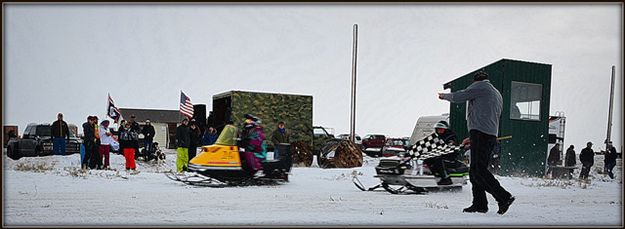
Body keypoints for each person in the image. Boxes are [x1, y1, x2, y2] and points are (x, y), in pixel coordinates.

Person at [438, 70, 515, 215]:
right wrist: (473, 136)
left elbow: (460, 95)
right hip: (488, 134)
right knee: (475, 172)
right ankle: (480, 204)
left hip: (481, 133)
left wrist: (445, 96)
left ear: (477, 81)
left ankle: (503, 197)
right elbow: (488, 114)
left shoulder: (481, 87)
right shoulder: (496, 93)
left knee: (478, 170)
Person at [423, 121, 457, 185]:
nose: (439, 130)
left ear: (445, 129)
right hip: (440, 154)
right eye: (438, 129)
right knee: (426, 158)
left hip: (450, 156)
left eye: (441, 129)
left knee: (438, 159)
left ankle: (446, 178)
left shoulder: (451, 137)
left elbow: (450, 147)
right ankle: (432, 174)